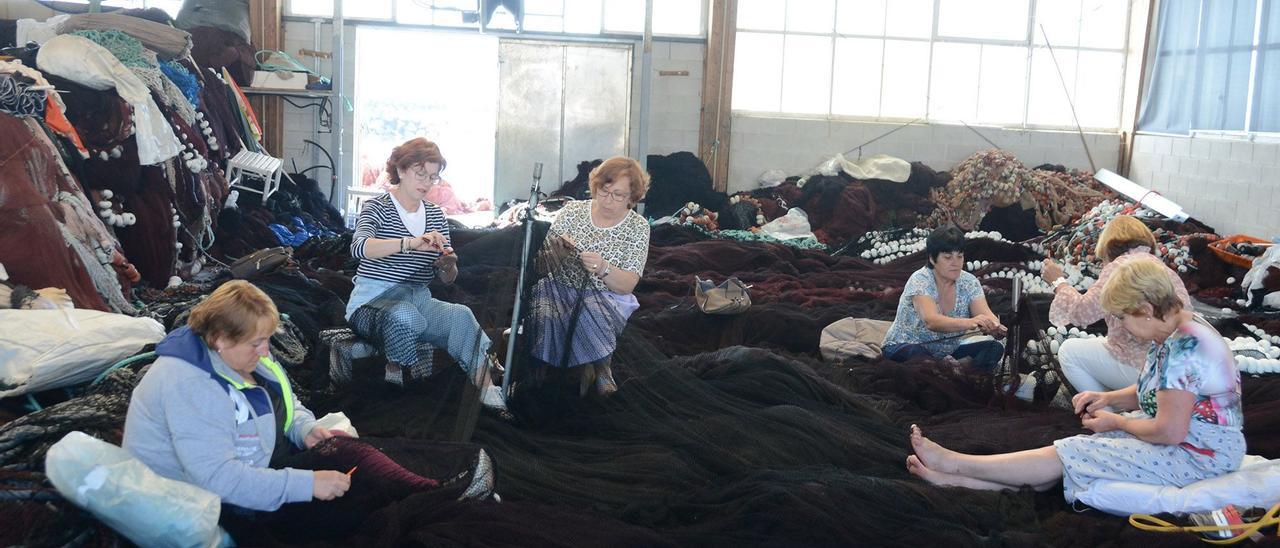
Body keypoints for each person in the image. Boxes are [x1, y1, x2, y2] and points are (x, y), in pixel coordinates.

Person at [906, 258, 1244, 501]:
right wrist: (1110, 399)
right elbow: (1159, 394)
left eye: (1124, 316)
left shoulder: (1185, 346)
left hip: (1199, 455)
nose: (1123, 326)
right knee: (1069, 459)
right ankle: (952, 479)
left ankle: (955, 464)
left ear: (1145, 307)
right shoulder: (1174, 331)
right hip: (1193, 443)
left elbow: (1170, 430)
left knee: (1074, 451)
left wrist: (1118, 424)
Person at [123, 280, 350, 512]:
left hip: (258, 474)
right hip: (199, 506)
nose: (265, 351)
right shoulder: (190, 385)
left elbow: (287, 403)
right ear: (221, 338)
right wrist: (306, 485)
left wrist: (305, 430)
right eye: (257, 343)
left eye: (267, 339)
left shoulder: (241, 355)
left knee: (353, 460)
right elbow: (217, 479)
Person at [345, 137, 507, 412]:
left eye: (433, 177)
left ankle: (489, 393)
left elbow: (448, 280)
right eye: (421, 174)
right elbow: (359, 248)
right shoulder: (377, 207)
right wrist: (410, 242)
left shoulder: (434, 215)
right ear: (401, 169)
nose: (427, 183)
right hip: (371, 302)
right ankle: (395, 374)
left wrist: (448, 265)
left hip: (418, 299)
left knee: (461, 315)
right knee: (405, 316)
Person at [528, 156, 651, 396]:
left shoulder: (638, 227)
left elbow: (627, 284)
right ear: (595, 187)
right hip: (559, 287)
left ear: (632, 197)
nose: (608, 200)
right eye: (604, 192)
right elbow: (540, 267)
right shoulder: (572, 212)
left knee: (590, 311)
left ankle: (602, 366)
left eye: (618, 195)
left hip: (607, 294)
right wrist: (557, 253)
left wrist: (604, 268)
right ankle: (540, 368)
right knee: (541, 311)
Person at [1042, 215, 1191, 395]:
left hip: (1144, 367)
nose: (1123, 320)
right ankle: (1119, 407)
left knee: (1068, 352)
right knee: (1100, 344)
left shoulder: (1121, 267)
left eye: (1122, 316)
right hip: (1173, 366)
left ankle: (1105, 413)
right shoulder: (1160, 266)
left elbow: (1081, 313)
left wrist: (1059, 282)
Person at [880, 227, 1006, 372]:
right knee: (919, 357)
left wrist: (995, 326)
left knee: (993, 348)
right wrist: (971, 322)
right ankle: (950, 370)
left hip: (944, 353)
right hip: (904, 346)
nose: (955, 263)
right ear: (932, 259)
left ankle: (958, 374)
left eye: (960, 256)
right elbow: (931, 321)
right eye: (948, 257)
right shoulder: (920, 280)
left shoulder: (969, 282)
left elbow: (984, 312)